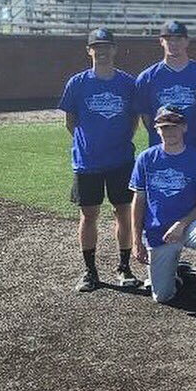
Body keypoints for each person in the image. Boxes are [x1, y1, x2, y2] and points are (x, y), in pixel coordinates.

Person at [129, 105, 196, 330]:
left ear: (184, 127)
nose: (169, 132)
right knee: (162, 296)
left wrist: (182, 224)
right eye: (164, 127)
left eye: (174, 126)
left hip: (190, 223)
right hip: (158, 232)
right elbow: (139, 202)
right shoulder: (146, 159)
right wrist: (136, 241)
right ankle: (177, 272)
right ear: (156, 129)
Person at [59, 27, 139, 292]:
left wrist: (118, 142)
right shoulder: (77, 83)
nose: (102, 51)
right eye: (97, 46)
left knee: (123, 212)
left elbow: (133, 120)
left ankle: (124, 267)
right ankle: (90, 271)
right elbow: (71, 121)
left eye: (107, 46)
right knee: (89, 214)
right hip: (87, 162)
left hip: (120, 160)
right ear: (89, 50)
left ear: (114, 49)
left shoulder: (127, 83)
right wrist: (89, 143)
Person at [134, 20, 196, 153]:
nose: (173, 44)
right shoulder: (147, 78)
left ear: (187, 41)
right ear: (161, 41)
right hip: (162, 150)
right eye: (168, 39)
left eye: (178, 39)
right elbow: (146, 117)